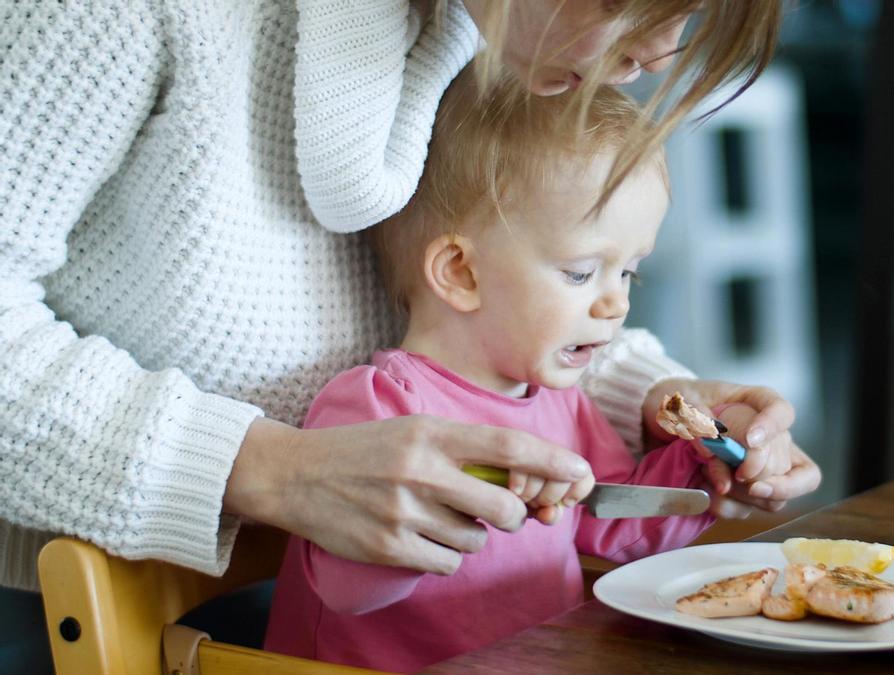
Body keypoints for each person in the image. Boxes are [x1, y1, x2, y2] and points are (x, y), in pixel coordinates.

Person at [0, 0, 819, 667]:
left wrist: (665, 411)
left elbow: (518, 265)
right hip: (68, 609)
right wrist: (265, 469)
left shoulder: (472, 31)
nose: (661, 52)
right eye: (625, 0)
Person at [264, 71, 786, 671]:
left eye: (628, 273)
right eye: (581, 272)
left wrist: (699, 469)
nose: (615, 303)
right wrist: (455, 504)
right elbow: (348, 591)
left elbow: (613, 531)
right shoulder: (376, 410)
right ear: (461, 272)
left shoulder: (560, 403)